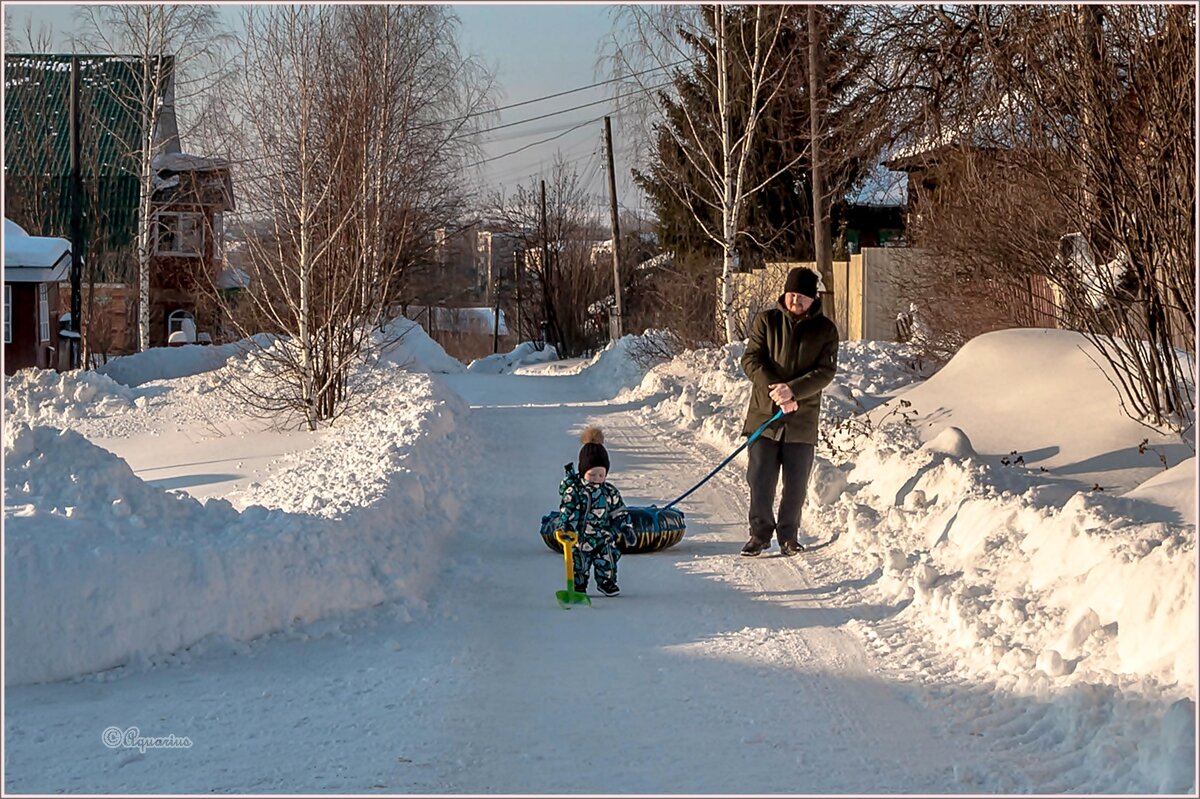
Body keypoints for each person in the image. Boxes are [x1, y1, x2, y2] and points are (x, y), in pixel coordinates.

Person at [738, 266, 839, 557]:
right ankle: (759, 535)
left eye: (803, 297)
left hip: (802, 420)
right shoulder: (767, 321)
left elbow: (825, 372)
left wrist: (793, 390)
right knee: (760, 479)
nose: (796, 301)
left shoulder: (826, 330)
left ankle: (788, 536)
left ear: (813, 299)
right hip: (764, 416)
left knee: (796, 484)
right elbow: (751, 359)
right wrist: (777, 389)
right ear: (785, 294)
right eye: (792, 294)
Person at [557, 426, 638, 596]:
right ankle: (579, 586)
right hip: (581, 537)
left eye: (601, 475)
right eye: (592, 474)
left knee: (608, 558)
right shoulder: (576, 491)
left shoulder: (609, 491)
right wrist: (566, 526)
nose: (596, 479)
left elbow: (619, 511)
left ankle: (607, 582)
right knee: (579, 563)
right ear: (583, 472)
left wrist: (625, 527)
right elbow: (568, 509)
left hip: (603, 536)